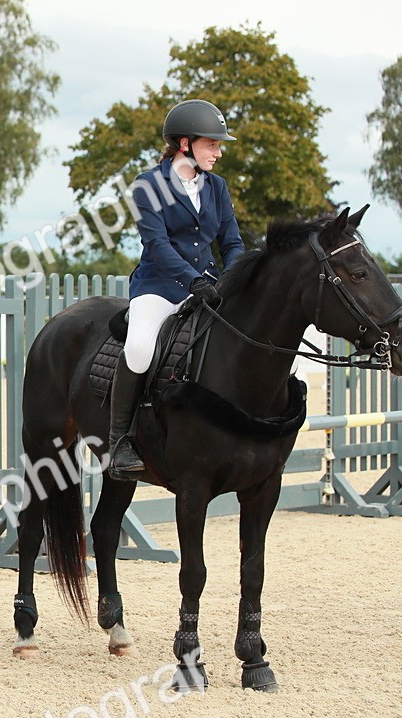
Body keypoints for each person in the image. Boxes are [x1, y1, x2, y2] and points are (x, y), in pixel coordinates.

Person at [108, 99, 246, 478]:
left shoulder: (217, 187)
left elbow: (232, 242)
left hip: (209, 287)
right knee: (138, 349)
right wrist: (193, 280)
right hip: (159, 286)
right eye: (212, 144)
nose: (218, 152)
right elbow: (158, 245)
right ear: (185, 144)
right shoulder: (149, 185)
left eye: (218, 146)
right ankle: (120, 441)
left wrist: (232, 279)